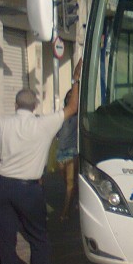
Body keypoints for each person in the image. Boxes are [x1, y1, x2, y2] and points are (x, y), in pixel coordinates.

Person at [0, 58, 82, 264]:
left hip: (2, 186)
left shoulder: (1, 125)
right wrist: (76, 78)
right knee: (38, 238)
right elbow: (72, 108)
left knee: (6, 240)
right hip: (28, 190)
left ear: (15, 105)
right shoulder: (43, 124)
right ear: (35, 105)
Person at [55, 89, 78, 221]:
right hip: (60, 152)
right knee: (67, 182)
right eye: (68, 96)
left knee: (70, 182)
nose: (70, 98)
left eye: (72, 96)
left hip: (72, 151)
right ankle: (76, 199)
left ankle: (65, 211)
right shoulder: (61, 114)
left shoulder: (78, 115)